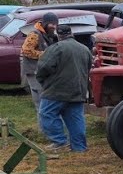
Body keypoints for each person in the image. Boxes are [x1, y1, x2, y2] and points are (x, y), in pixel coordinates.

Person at [34, 24, 92, 154]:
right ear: (71, 34)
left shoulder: (56, 48)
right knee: (75, 118)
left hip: (57, 90)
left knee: (46, 114)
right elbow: (88, 68)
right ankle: (79, 147)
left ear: (58, 35)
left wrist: (43, 81)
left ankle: (59, 141)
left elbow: (43, 67)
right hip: (79, 89)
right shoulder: (84, 49)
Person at [19, 12, 60, 110]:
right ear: (45, 23)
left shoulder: (48, 34)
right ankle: (44, 121)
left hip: (41, 71)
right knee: (41, 100)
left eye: (56, 24)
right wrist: (45, 54)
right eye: (52, 24)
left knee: (44, 100)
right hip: (33, 71)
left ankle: (44, 120)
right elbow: (26, 51)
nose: (54, 27)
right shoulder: (35, 34)